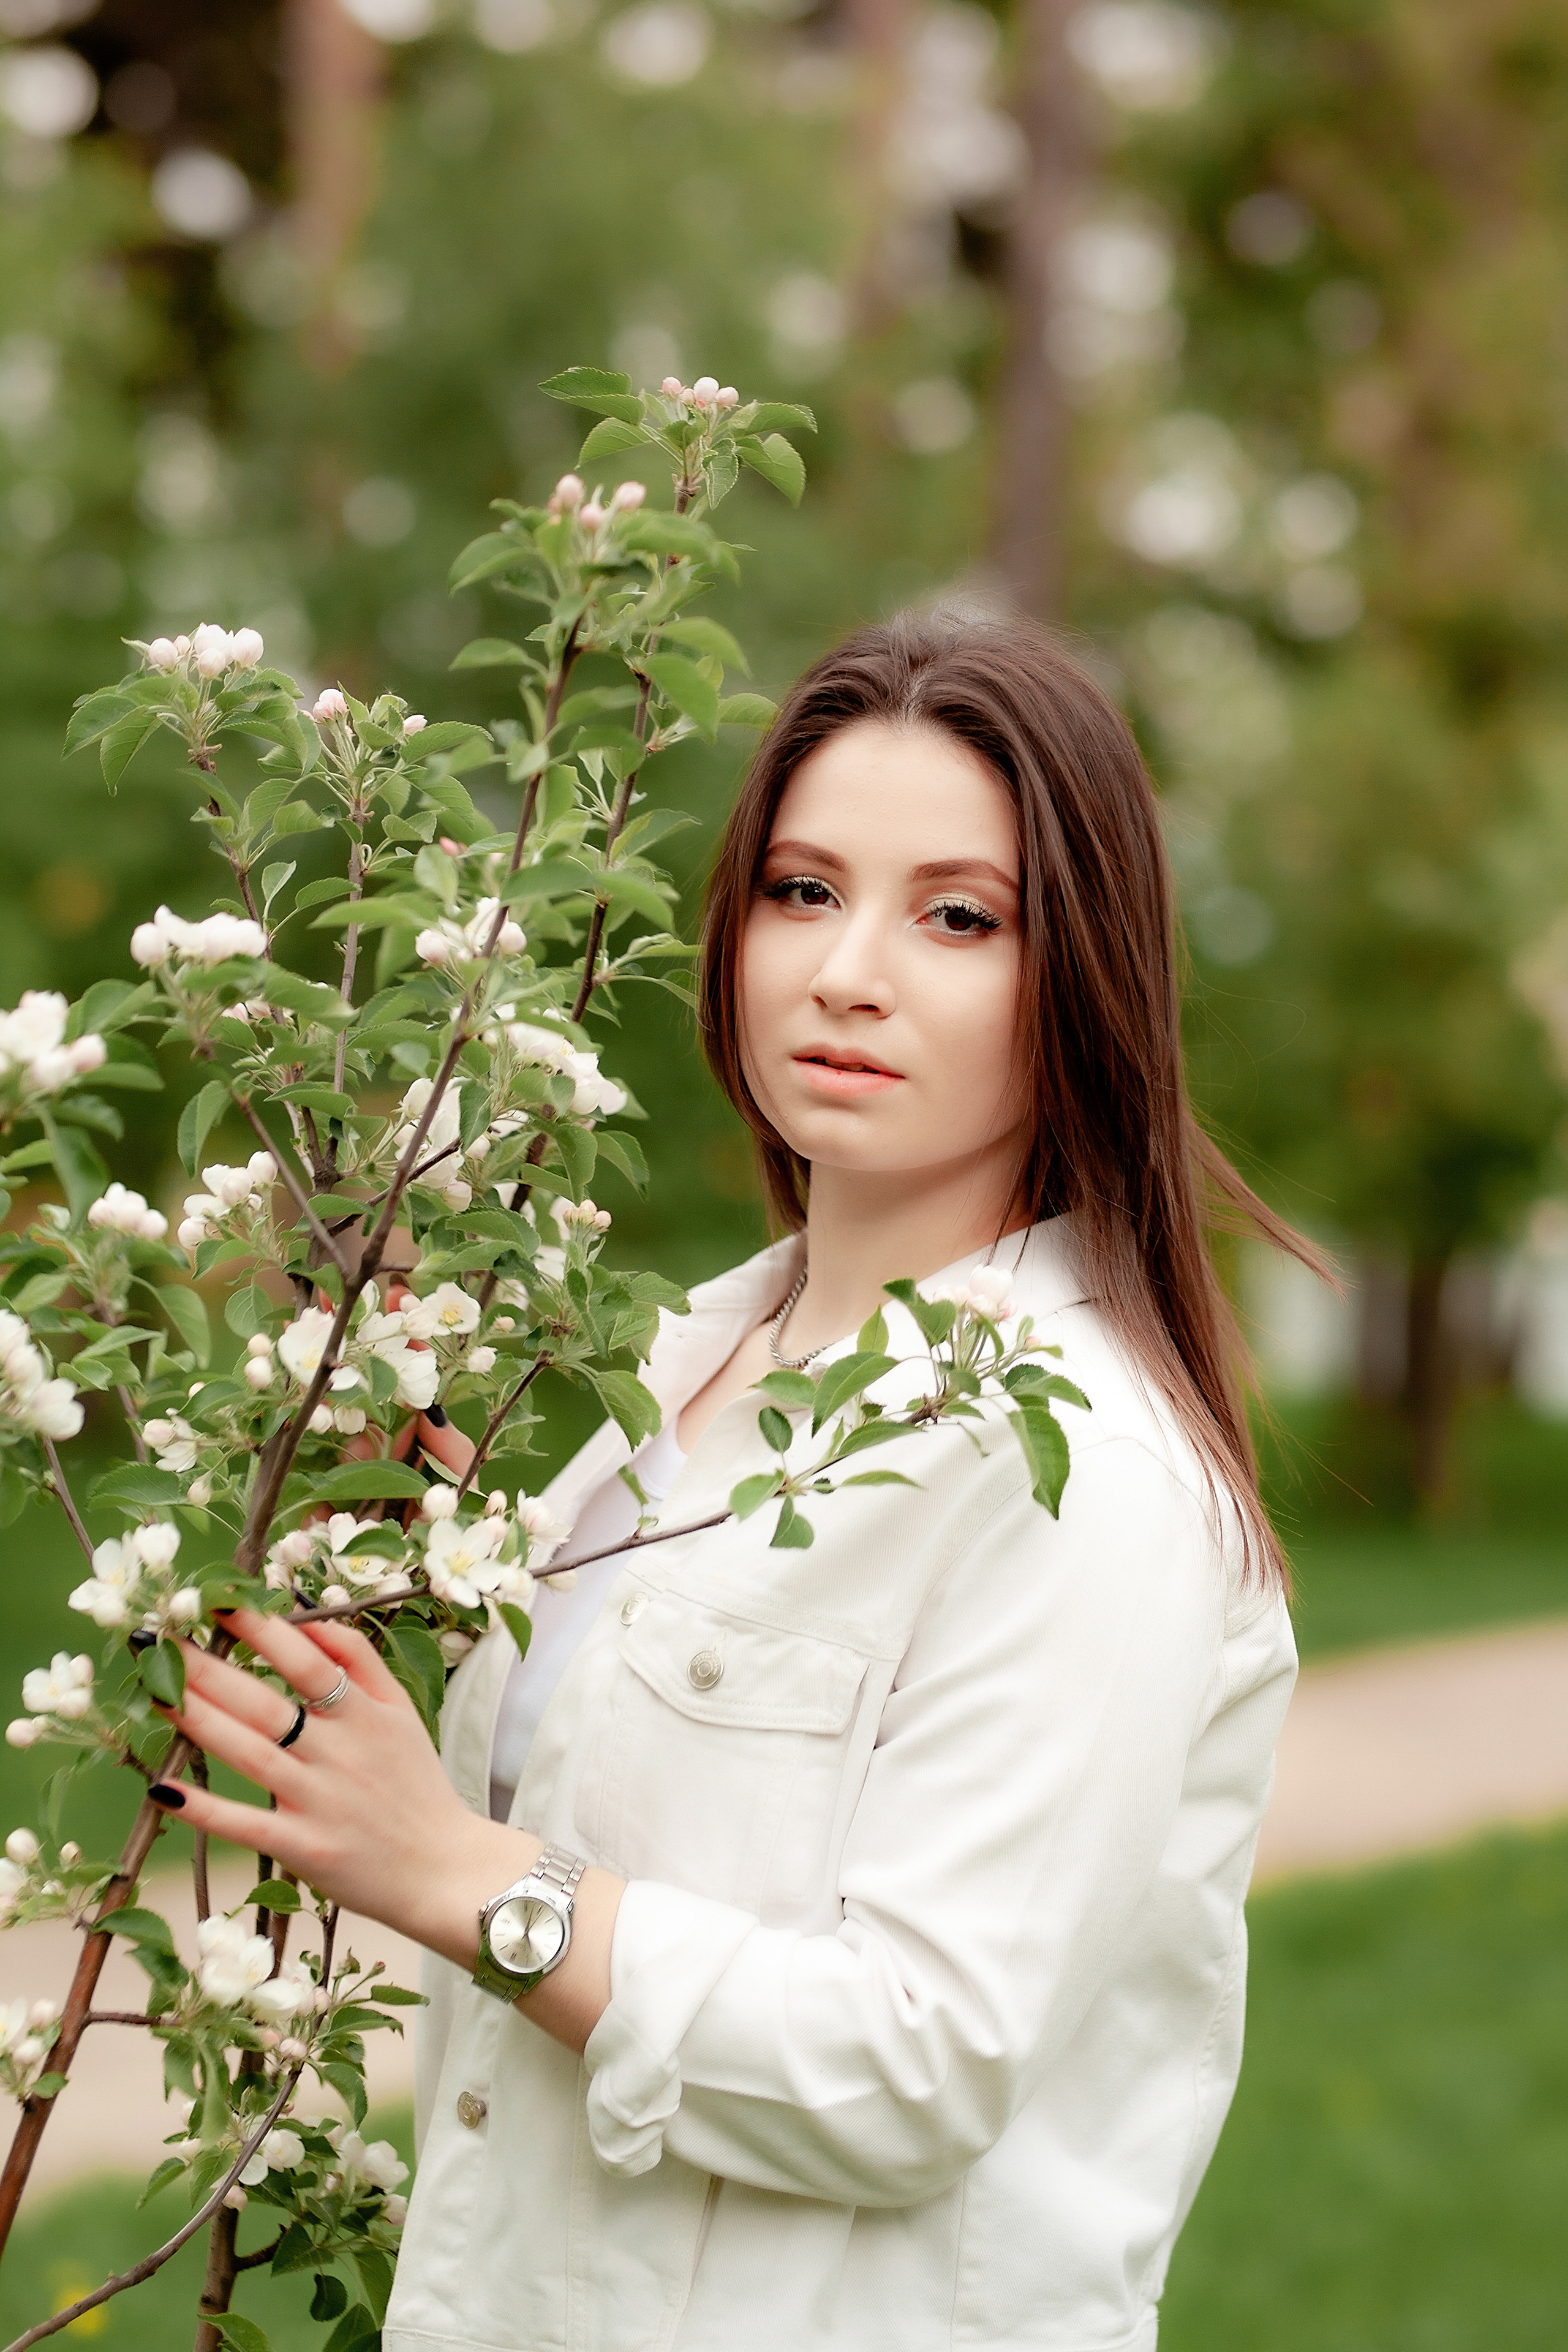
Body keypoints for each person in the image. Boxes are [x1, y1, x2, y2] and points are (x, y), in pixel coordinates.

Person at [151, 615, 1317, 2352]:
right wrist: (443, 1570)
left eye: (955, 916)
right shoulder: (687, 1376)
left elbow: (916, 2059)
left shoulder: (1089, 1470)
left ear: (1075, 975)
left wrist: (454, 1875)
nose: (850, 970)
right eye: (799, 890)